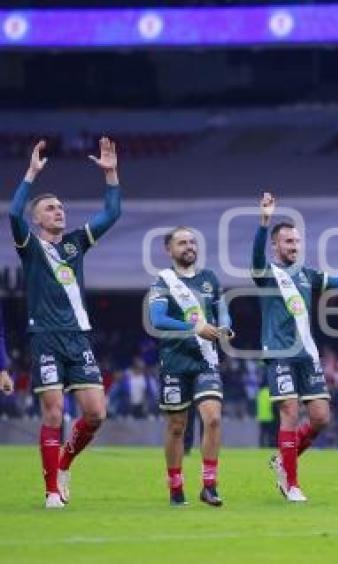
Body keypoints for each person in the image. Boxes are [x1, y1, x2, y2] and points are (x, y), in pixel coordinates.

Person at [9, 138, 121, 509]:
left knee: (95, 413)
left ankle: (65, 463)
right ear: (37, 219)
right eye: (51, 208)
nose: (60, 212)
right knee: (54, 412)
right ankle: (52, 491)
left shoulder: (75, 243)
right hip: (44, 336)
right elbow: (12, 214)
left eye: (61, 207)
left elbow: (112, 214)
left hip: (78, 338)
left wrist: (110, 173)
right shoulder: (29, 246)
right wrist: (31, 174)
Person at [256, 192, 338, 502]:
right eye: (288, 241)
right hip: (279, 354)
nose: (294, 246)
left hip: (307, 355)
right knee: (289, 411)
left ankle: (282, 461)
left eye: (297, 241)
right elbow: (253, 257)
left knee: (320, 418)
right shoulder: (266, 273)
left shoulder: (306, 275)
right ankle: (291, 483)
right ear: (275, 245)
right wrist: (264, 222)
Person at [147, 226, 232, 506]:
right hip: (174, 361)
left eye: (193, 242)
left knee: (214, 418)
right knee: (176, 426)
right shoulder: (163, 281)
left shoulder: (209, 278)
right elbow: (158, 320)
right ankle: (175, 486)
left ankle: (209, 486)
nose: (189, 247)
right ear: (169, 250)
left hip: (206, 359)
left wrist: (225, 327)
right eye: (182, 243)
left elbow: (221, 309)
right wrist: (196, 327)